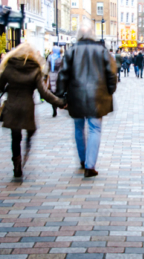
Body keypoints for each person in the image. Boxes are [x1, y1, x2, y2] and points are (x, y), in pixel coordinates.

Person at [56, 24, 117, 178]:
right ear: (93, 35)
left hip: (76, 95)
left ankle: (83, 160)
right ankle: (90, 166)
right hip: (97, 95)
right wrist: (110, 90)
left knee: (78, 127)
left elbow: (63, 74)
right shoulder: (102, 50)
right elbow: (111, 73)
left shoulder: (71, 51)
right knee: (94, 128)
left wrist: (60, 95)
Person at [0, 43, 65, 178]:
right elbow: (44, 93)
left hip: (12, 106)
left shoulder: (10, 66)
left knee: (15, 137)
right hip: (27, 107)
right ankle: (28, 142)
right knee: (30, 129)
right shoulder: (34, 69)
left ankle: (16, 163)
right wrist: (60, 103)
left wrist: (9, 87)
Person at [46, 46, 63, 117]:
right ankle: (57, 104)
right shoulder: (60, 58)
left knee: (52, 92)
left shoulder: (50, 57)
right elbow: (63, 68)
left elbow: (47, 67)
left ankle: (54, 107)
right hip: (58, 76)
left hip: (51, 76)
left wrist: (45, 75)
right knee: (57, 92)